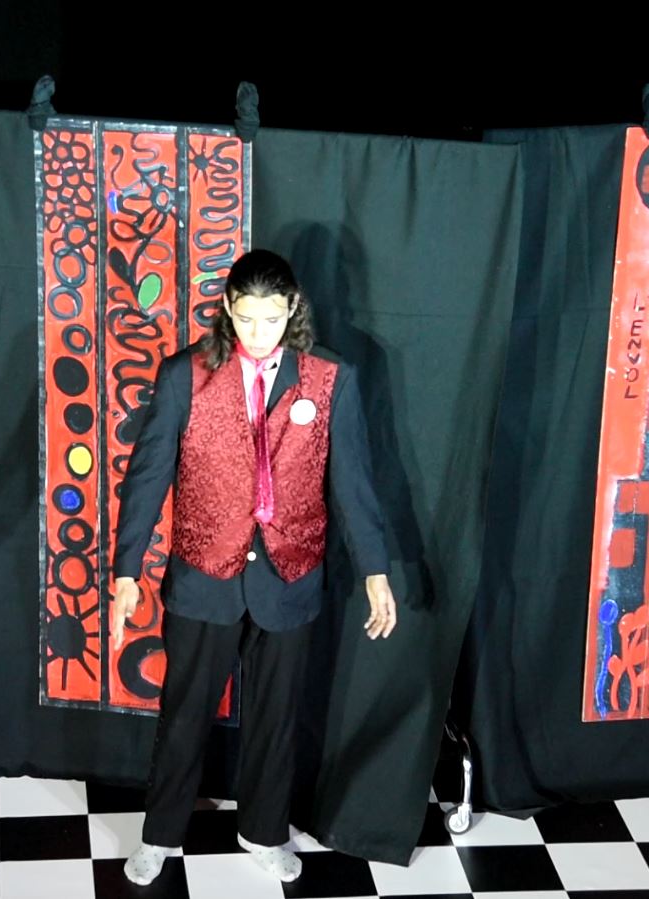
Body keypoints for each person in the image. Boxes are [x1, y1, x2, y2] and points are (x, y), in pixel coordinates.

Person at [110, 249, 397, 885]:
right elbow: (149, 474)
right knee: (184, 712)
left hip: (290, 573)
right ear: (226, 308)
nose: (259, 333)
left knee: (276, 716)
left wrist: (375, 569)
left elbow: (353, 482)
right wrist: (126, 570)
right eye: (245, 318)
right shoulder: (185, 374)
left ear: (291, 308)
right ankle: (160, 834)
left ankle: (263, 831)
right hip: (203, 572)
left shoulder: (330, 378)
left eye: (271, 319)